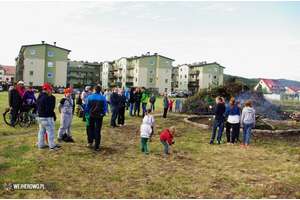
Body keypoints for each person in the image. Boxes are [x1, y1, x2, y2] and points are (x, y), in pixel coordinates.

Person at [36, 83, 61, 151]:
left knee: (41, 132)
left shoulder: (39, 97)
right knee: (50, 131)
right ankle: (52, 146)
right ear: (47, 89)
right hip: (46, 117)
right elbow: (49, 109)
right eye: (50, 89)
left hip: (40, 116)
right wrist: (53, 115)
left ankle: (41, 145)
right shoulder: (47, 97)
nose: (51, 91)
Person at [85, 85, 107, 151]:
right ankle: (96, 146)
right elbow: (105, 107)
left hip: (92, 115)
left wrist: (88, 113)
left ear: (94, 90)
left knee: (90, 129)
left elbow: (87, 106)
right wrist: (103, 113)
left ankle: (90, 142)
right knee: (98, 130)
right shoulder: (103, 98)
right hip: (99, 116)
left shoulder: (90, 97)